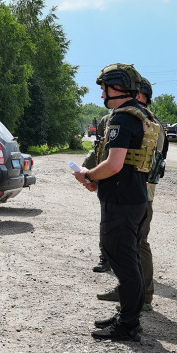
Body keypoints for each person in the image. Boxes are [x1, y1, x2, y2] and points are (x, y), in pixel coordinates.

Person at [74, 63, 153, 342]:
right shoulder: (143, 115)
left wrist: (88, 175)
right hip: (136, 199)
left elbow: (114, 163)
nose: (101, 95)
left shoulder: (122, 118)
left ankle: (128, 325)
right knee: (129, 261)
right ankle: (127, 317)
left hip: (121, 202)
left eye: (103, 88)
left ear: (116, 87)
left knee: (125, 264)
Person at [94, 77, 168, 312]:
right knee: (125, 248)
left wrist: (91, 176)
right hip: (125, 190)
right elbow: (103, 151)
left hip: (139, 193)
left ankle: (142, 297)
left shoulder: (146, 122)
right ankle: (128, 293)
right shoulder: (128, 117)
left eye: (140, 96)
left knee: (137, 245)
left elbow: (157, 161)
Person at [83, 113, 112, 274]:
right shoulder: (106, 120)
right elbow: (99, 149)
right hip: (106, 179)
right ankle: (105, 258)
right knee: (106, 222)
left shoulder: (143, 118)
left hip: (131, 182)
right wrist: (89, 172)